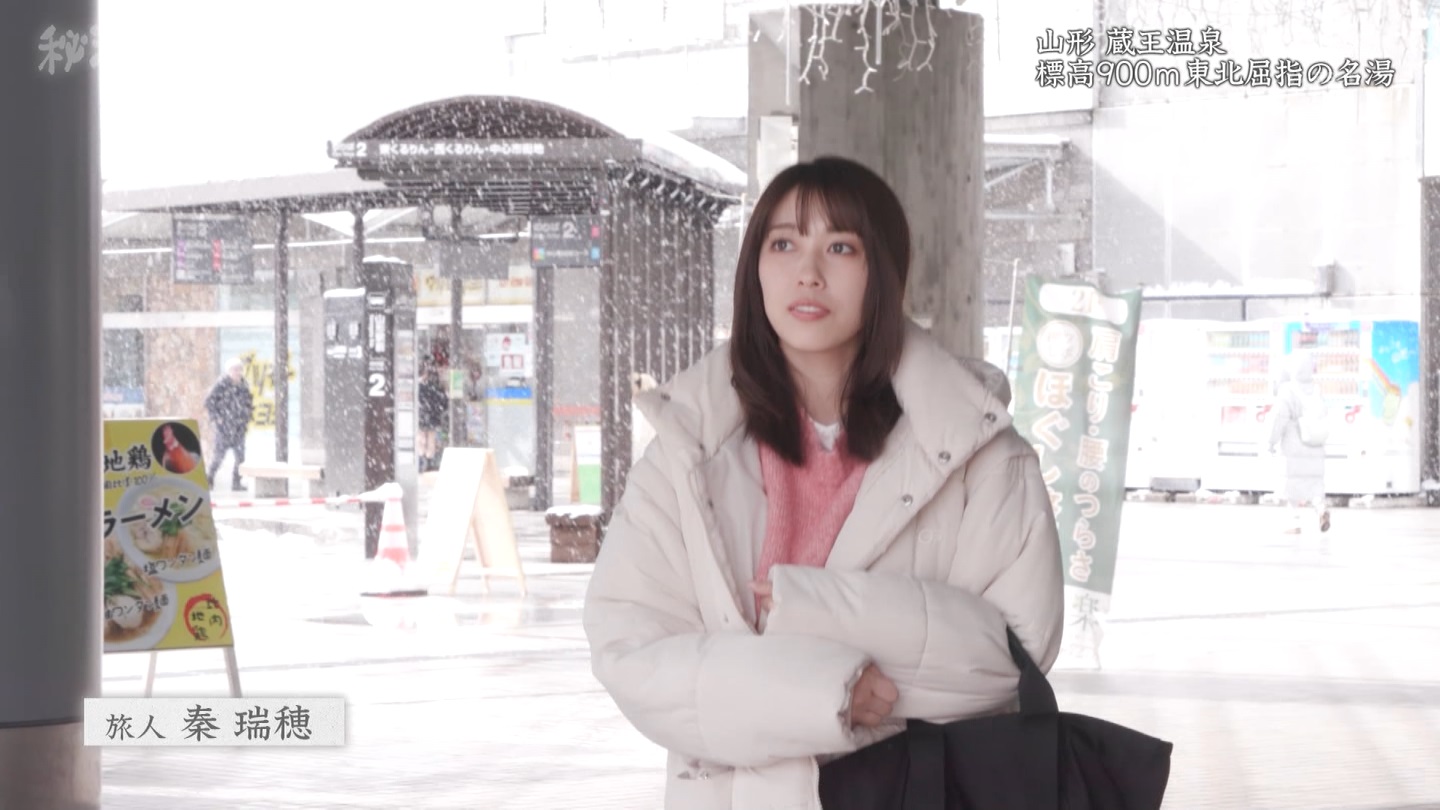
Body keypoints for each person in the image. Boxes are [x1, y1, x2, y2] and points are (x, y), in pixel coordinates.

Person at [583, 156, 1064, 809]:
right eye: (784, 244)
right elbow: (632, 652)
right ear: (754, 268)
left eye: (841, 247)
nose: (808, 272)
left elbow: (1013, 656)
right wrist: (826, 690)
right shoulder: (685, 450)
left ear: (885, 272)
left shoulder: (979, 451)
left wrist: (809, 609)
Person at [1268, 350, 1331, 534]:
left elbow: (1278, 419)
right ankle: (1321, 509)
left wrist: (1270, 441)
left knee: (1291, 488)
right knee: (1315, 484)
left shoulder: (1288, 390)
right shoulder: (1316, 390)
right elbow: (1323, 413)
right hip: (1315, 444)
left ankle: (1294, 522)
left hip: (1294, 446)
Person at [204, 358, 254, 491]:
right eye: (235, 370)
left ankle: (236, 483)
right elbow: (209, 402)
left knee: (240, 457)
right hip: (224, 428)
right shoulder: (221, 385)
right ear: (229, 371)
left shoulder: (244, 386)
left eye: (239, 369)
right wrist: (217, 418)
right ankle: (209, 479)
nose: (238, 372)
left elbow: (248, 403)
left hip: (239, 428)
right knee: (218, 457)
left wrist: (247, 416)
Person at [418, 363, 448, 472]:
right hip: (432, 416)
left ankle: (422, 460)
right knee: (430, 438)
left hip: (422, 416)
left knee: (421, 438)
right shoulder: (435, 387)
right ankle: (429, 461)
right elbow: (443, 403)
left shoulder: (417, 387)